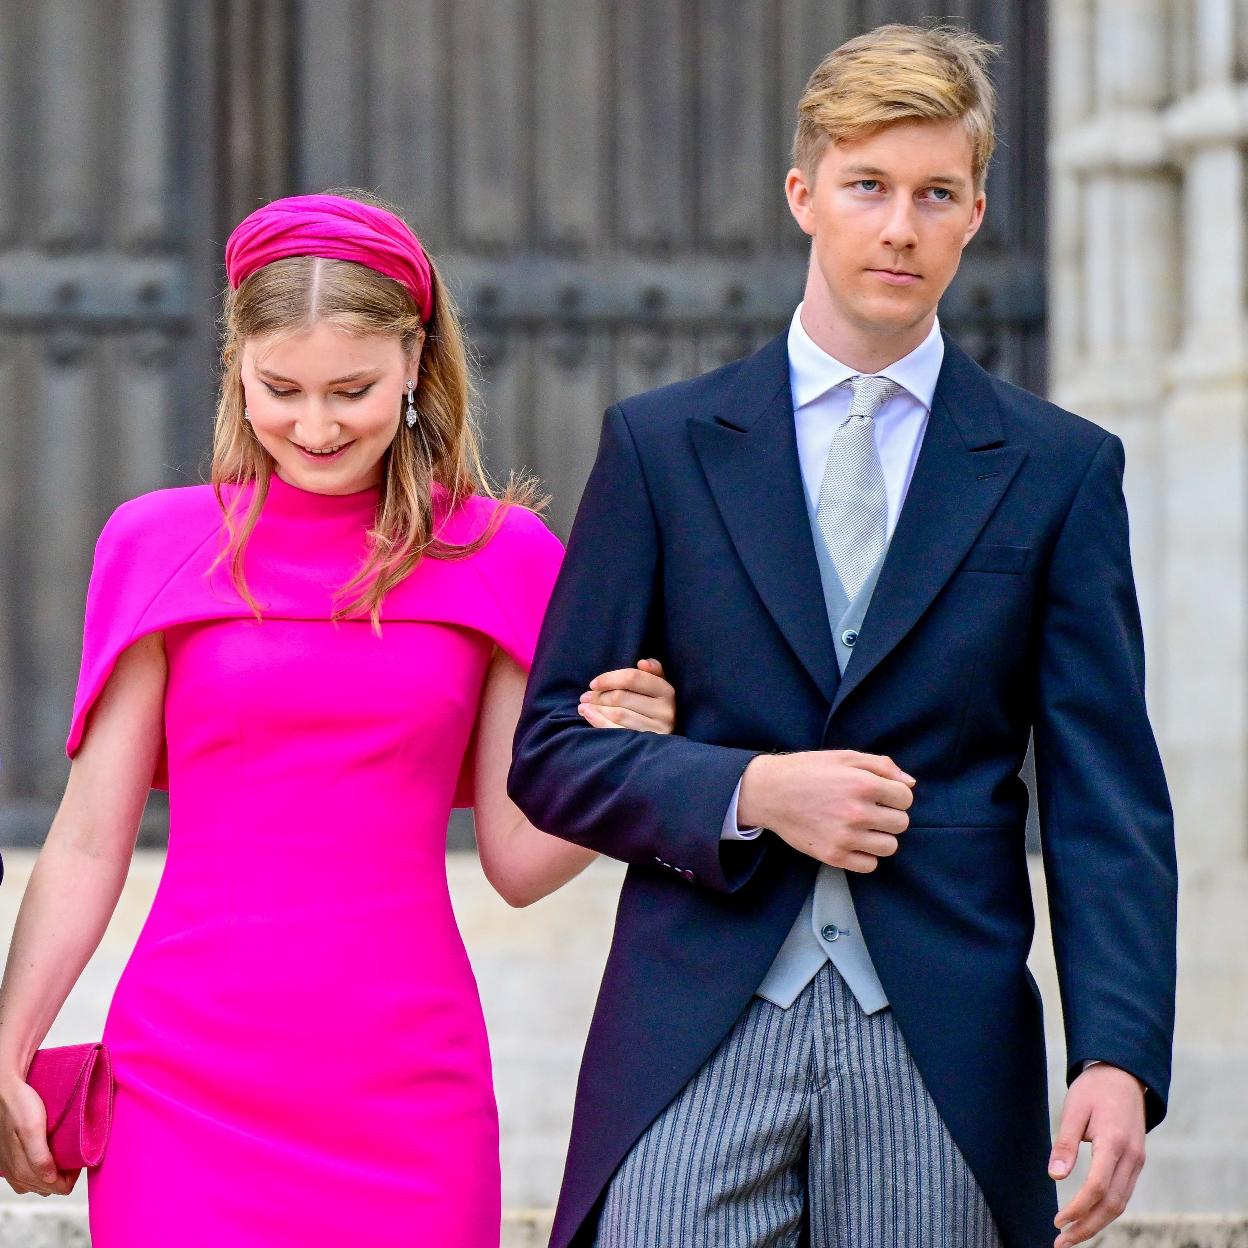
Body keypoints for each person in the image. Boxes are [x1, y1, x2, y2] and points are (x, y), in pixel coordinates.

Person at [509, 23, 1177, 1248]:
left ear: (976, 212)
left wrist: (1120, 1054)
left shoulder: (1059, 468)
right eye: (868, 187)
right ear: (804, 195)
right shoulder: (661, 446)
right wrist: (752, 788)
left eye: (936, 194)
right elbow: (549, 753)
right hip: (696, 1019)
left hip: (939, 1033)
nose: (900, 227)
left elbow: (1104, 795)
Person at [0, 192, 678, 1248]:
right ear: (238, 368)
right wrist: (8, 1045)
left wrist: (630, 762)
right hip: (186, 1084)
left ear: (415, 361)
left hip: (411, 1091)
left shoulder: (500, 557)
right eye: (282, 389)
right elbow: (89, 839)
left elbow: (515, 857)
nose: (315, 427)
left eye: (352, 391)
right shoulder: (158, 544)